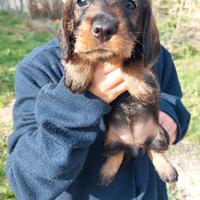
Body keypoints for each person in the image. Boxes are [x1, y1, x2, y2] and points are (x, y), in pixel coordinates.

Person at [6, 38, 190, 200]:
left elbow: (172, 100)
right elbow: (25, 182)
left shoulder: (154, 52)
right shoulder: (39, 67)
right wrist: (78, 103)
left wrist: (169, 116)